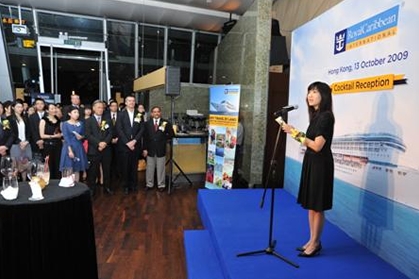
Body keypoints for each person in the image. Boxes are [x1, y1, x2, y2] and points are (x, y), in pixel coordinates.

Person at [281, 81, 335, 257]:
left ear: (324, 95)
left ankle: (316, 243)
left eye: (314, 92)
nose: (309, 95)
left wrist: (294, 132)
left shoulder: (326, 116)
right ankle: (312, 240)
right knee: (311, 205)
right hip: (312, 162)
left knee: (317, 206)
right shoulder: (316, 116)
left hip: (320, 165)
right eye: (309, 92)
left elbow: (317, 146)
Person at [116, 95, 144, 194]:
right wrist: (128, 142)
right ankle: (125, 186)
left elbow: (142, 129)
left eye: (133, 101)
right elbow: (119, 129)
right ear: (126, 103)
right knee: (125, 166)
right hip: (124, 145)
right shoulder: (120, 114)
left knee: (133, 166)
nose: (131, 102)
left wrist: (135, 141)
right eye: (129, 101)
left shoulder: (139, 114)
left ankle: (134, 185)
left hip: (135, 145)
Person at [142, 106, 174, 192]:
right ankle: (149, 184)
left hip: (161, 148)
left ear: (160, 113)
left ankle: (161, 185)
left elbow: (171, 134)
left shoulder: (166, 123)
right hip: (150, 149)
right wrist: (144, 149)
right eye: (154, 112)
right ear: (152, 113)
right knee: (149, 168)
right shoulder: (147, 124)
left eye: (158, 112)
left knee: (161, 168)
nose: (156, 113)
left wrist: (163, 138)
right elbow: (145, 137)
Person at [85, 100, 113, 196]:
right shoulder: (88, 121)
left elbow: (110, 133)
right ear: (93, 108)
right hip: (94, 149)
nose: (101, 109)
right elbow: (88, 135)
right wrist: (99, 144)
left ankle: (107, 187)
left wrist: (104, 143)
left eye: (102, 107)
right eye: (98, 107)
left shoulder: (107, 120)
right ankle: (92, 189)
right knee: (93, 171)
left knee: (107, 169)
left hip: (106, 149)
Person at [59, 107, 88, 182]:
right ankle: (66, 188)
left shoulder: (81, 123)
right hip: (69, 147)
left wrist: (81, 137)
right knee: (68, 167)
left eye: (77, 112)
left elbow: (84, 135)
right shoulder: (65, 124)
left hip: (78, 147)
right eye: (74, 112)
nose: (77, 114)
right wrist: (70, 150)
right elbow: (66, 137)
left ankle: (76, 189)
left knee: (77, 169)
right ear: (69, 114)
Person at [8, 100, 32, 181]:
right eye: (18, 107)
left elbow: (29, 131)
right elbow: (11, 133)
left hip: (26, 144)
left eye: (21, 107)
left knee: (26, 165)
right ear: (13, 107)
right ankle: (14, 183)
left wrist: (27, 141)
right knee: (15, 166)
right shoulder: (9, 119)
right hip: (15, 145)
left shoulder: (25, 118)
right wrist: (19, 142)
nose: (20, 109)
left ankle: (25, 183)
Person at [39, 103, 62, 179]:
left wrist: (61, 134)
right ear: (47, 110)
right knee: (49, 165)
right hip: (48, 146)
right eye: (52, 108)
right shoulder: (43, 120)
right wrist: (54, 136)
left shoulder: (58, 120)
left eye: (55, 108)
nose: (54, 110)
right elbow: (42, 135)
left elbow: (60, 132)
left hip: (58, 145)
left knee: (58, 165)